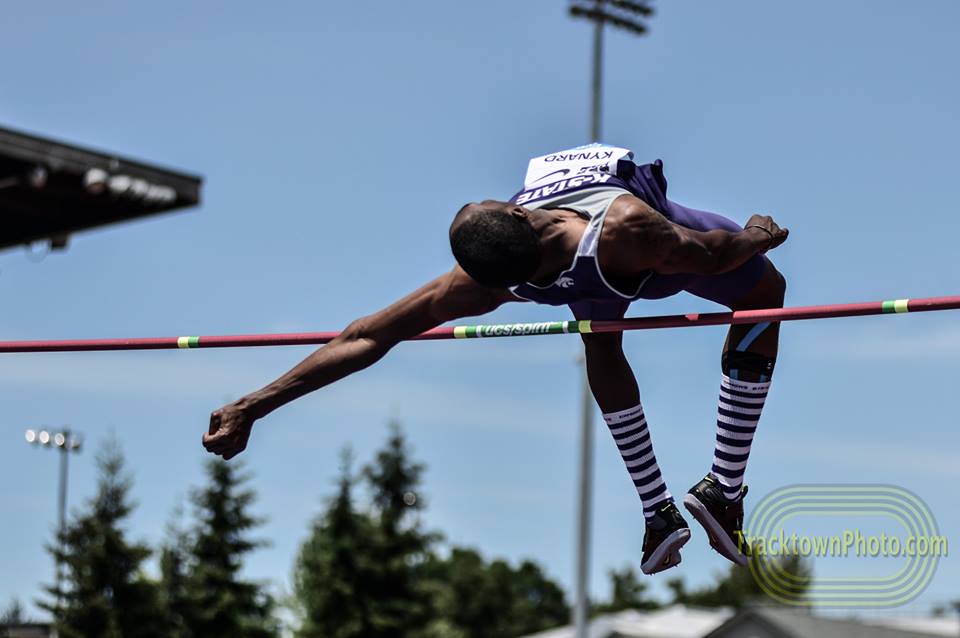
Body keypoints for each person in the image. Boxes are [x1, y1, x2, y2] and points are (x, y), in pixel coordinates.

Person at [202, 144, 788, 575]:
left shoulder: (479, 284)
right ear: (514, 216)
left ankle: (658, 512)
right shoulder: (626, 227)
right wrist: (757, 235)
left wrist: (254, 405)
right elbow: (714, 256)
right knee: (764, 294)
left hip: (589, 281)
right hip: (646, 255)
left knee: (599, 337)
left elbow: (365, 336)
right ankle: (724, 488)